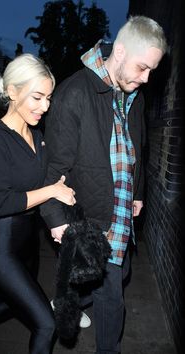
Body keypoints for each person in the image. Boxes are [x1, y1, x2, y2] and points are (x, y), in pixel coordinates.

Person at [40, 16, 167, 354]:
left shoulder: (133, 95)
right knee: (113, 298)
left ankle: (70, 296)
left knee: (120, 274)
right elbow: (54, 167)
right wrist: (56, 218)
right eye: (143, 68)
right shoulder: (75, 93)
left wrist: (138, 193)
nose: (146, 78)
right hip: (92, 217)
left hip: (123, 209)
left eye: (152, 71)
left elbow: (136, 147)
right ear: (121, 51)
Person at [0, 53, 76, 354]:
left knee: (11, 302)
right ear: (12, 92)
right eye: (37, 97)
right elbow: (1, 203)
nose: (45, 107)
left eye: (48, 98)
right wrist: (51, 191)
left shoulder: (37, 135)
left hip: (27, 242)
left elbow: (49, 181)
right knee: (45, 322)